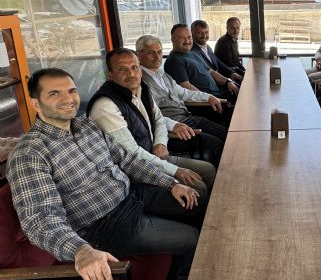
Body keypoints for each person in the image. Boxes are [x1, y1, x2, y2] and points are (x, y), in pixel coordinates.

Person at [7, 68, 203, 280]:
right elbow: (40, 219)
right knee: (192, 239)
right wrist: (81, 251)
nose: (68, 99)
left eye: (72, 91)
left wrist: (171, 183)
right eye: (54, 93)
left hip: (132, 196)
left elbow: (127, 160)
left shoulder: (87, 126)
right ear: (36, 103)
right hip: (105, 227)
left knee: (199, 202)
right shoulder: (29, 154)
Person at [87, 48, 217, 192]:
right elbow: (132, 153)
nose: (131, 74)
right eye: (122, 69)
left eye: (134, 67)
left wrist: (160, 143)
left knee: (209, 170)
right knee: (198, 186)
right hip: (134, 171)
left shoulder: (142, 90)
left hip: (153, 156)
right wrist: (176, 171)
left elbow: (158, 119)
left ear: (140, 70)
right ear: (110, 74)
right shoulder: (106, 105)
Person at [136, 35, 228, 147]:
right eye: (151, 53)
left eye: (159, 52)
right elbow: (150, 116)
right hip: (174, 130)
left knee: (226, 133)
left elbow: (184, 93)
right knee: (217, 144)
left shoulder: (162, 74)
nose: (157, 57)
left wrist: (208, 97)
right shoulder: (139, 82)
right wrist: (174, 126)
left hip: (187, 118)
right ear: (139, 56)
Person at [164, 24, 238, 103]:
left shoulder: (194, 53)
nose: (187, 41)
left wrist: (228, 82)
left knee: (242, 90)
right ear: (173, 39)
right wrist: (209, 98)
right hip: (208, 102)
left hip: (218, 93)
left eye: (189, 37)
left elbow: (211, 72)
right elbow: (186, 88)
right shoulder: (174, 61)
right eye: (182, 38)